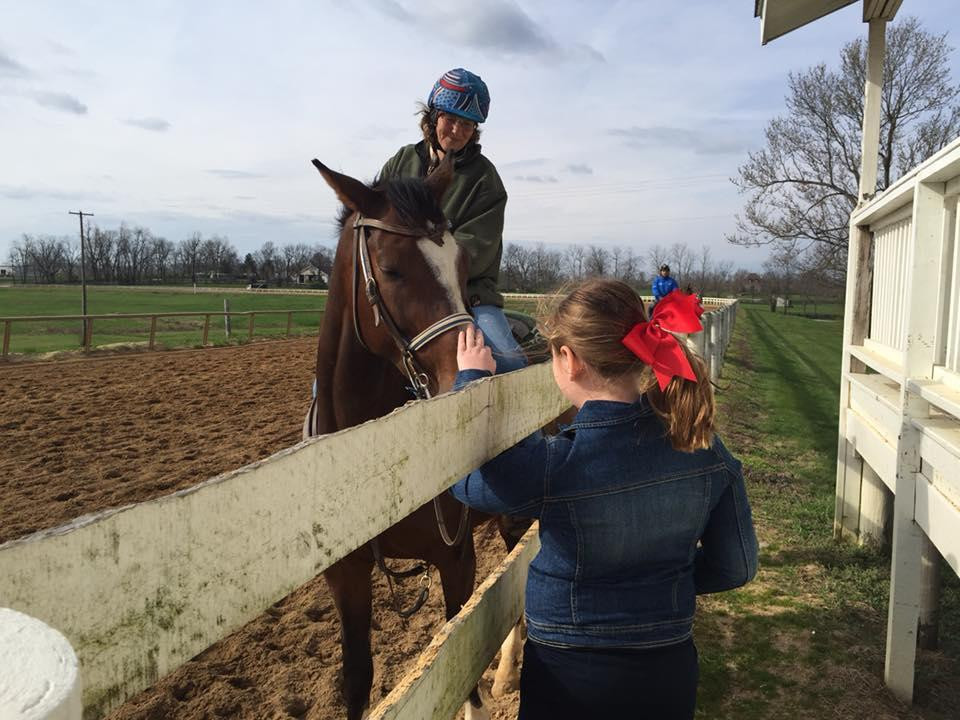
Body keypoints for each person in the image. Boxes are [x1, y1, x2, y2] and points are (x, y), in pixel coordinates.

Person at [450, 279, 758, 719]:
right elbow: (736, 566)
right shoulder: (705, 448)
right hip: (668, 669)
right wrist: (663, 584)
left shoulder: (558, 462)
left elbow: (467, 482)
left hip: (569, 674)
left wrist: (471, 381)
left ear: (569, 360)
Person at [378, 67, 525, 373]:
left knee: (510, 364)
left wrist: (418, 259)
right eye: (451, 119)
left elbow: (478, 249)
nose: (457, 131)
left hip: (469, 297)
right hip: (402, 291)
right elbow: (374, 214)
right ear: (433, 117)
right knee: (333, 374)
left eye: (467, 125)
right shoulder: (402, 161)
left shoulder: (484, 178)